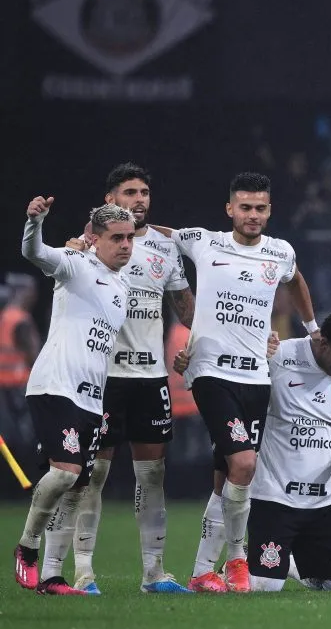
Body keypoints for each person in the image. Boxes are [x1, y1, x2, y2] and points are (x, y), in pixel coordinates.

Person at [152, 172, 318, 593]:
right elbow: (158, 232)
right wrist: (105, 224)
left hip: (255, 375)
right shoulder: (205, 242)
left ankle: (204, 571)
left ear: (269, 210)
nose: (253, 215)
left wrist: (312, 326)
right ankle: (238, 559)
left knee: (228, 477)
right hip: (209, 372)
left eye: (260, 208)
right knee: (245, 464)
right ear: (230, 209)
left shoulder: (279, 252)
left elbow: (295, 279)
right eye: (245, 207)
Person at [42, 163, 196, 595]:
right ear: (110, 201)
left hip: (150, 378)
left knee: (153, 476)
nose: (140, 198)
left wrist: (198, 345)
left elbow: (186, 310)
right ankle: (84, 572)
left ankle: (154, 573)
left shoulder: (165, 249)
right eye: (130, 192)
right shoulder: (89, 247)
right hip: (103, 377)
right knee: (90, 476)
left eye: (145, 191)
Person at [173, 309, 331, 592]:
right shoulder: (280, 356)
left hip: (324, 500)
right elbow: (229, 373)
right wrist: (191, 362)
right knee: (265, 587)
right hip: (274, 497)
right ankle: (241, 563)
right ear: (323, 342)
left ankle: (290, 563)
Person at [13, 198, 134, 596]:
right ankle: (28, 547)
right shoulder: (74, 263)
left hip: (90, 399)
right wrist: (36, 223)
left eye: (129, 238)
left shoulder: (121, 285)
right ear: (93, 238)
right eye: (116, 238)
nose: (125, 245)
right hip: (55, 384)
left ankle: (52, 576)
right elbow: (35, 253)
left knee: (77, 487)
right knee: (64, 472)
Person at [0, 274, 40, 451]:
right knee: (24, 441)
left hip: (3, 386)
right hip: (20, 387)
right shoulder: (21, 320)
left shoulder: (4, 316)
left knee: (7, 438)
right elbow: (34, 357)